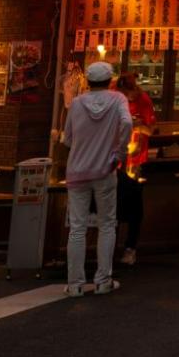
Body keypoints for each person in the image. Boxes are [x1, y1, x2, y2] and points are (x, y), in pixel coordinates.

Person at [60, 61, 133, 297]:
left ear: (88, 82)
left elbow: (68, 139)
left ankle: (75, 284)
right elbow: (128, 122)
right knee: (107, 225)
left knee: (77, 229)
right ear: (110, 80)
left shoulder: (77, 103)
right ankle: (103, 280)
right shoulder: (118, 100)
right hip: (104, 171)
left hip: (77, 172)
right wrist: (119, 153)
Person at [115, 69, 155, 268]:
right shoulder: (115, 101)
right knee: (114, 204)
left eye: (126, 93)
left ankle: (130, 248)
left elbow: (151, 129)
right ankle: (110, 248)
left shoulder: (144, 101)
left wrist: (136, 125)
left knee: (134, 205)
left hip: (136, 160)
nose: (123, 97)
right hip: (115, 162)